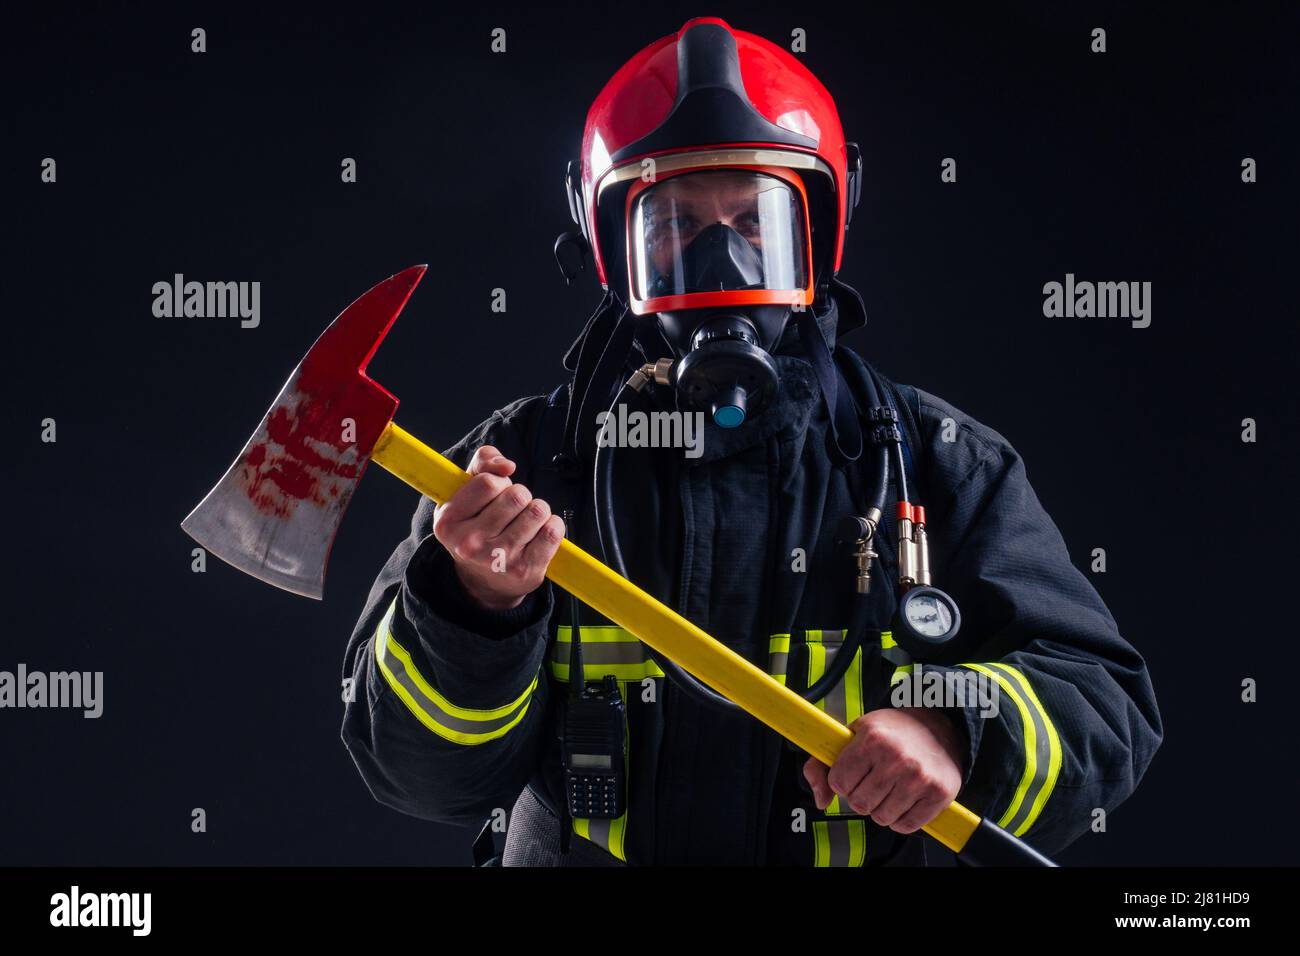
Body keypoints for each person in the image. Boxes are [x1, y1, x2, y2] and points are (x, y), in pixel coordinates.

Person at [340, 17, 1162, 866]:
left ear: (819, 233)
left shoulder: (935, 460)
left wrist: (955, 727)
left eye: (756, 220)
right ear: (613, 250)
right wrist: (474, 609)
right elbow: (418, 779)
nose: (723, 260)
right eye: (674, 227)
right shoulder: (511, 471)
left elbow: (1109, 705)